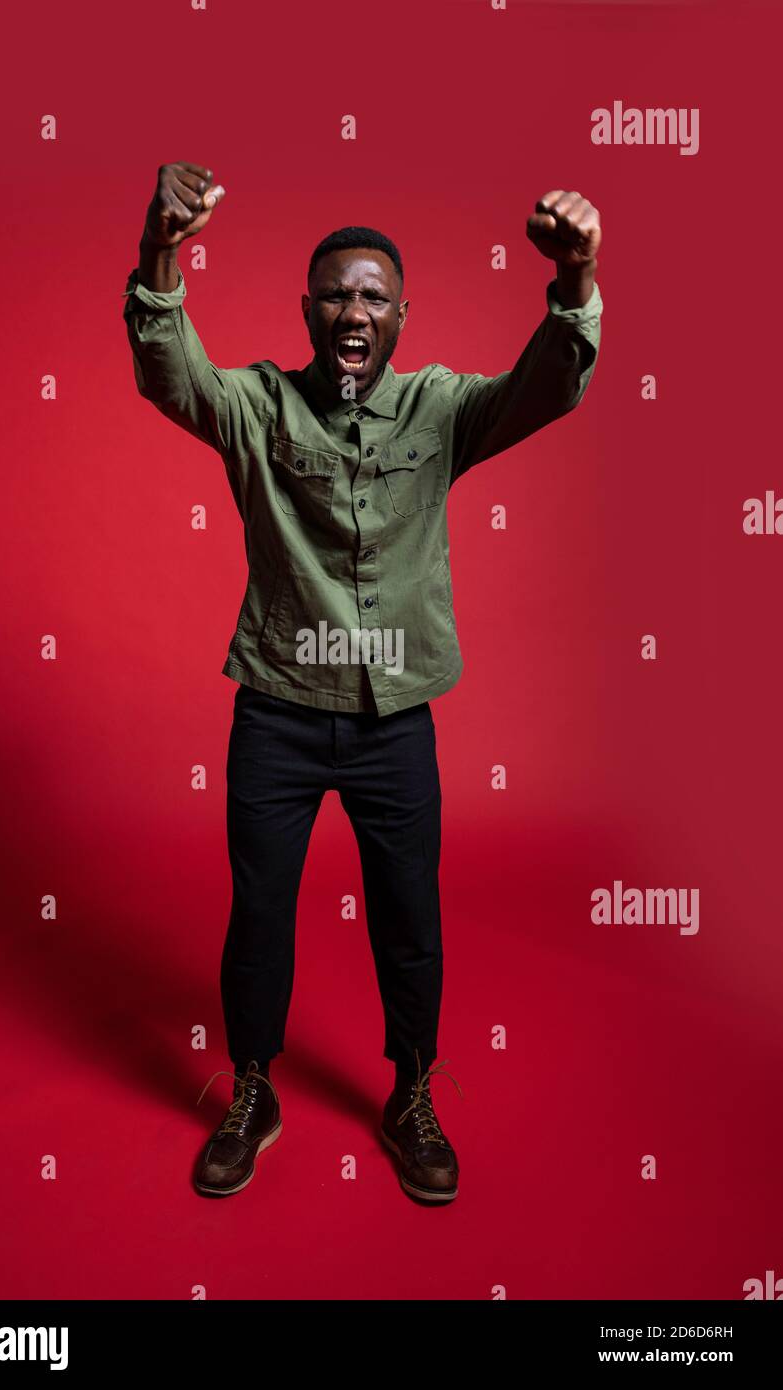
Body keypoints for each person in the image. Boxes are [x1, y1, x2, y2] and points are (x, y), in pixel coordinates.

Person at [122, 162, 603, 1203]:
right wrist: (163, 247)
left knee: (409, 916)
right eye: (335, 293)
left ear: (398, 317)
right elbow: (169, 370)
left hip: (394, 723)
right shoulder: (257, 405)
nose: (353, 309)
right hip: (277, 712)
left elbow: (549, 383)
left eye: (373, 296)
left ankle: (410, 1089)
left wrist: (574, 277)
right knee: (258, 914)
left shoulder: (442, 411)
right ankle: (252, 1086)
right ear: (307, 310)